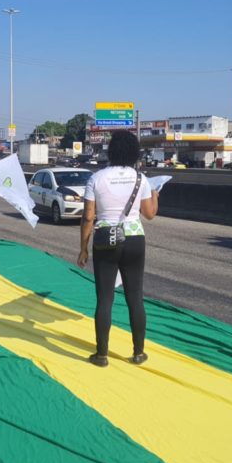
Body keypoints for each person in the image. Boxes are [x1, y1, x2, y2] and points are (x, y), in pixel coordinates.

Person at [77, 130, 159, 367]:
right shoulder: (140, 179)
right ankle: (138, 352)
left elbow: (88, 217)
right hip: (134, 239)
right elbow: (150, 214)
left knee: (105, 299)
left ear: (111, 150)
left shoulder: (96, 178)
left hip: (105, 240)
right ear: (134, 152)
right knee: (135, 297)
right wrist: (155, 194)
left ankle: (102, 355)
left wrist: (84, 248)